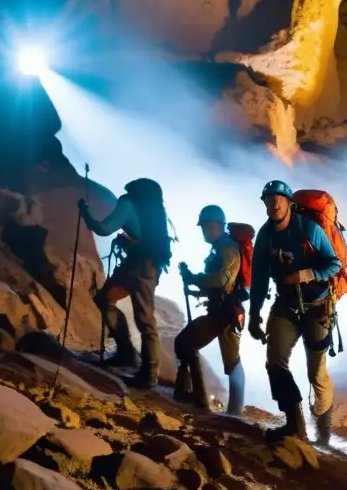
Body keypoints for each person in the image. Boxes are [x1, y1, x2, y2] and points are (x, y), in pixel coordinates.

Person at [249, 180, 341, 445]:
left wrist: (304, 274)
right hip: (286, 305)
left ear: (289, 203)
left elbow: (333, 263)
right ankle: (295, 424)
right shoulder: (265, 235)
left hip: (317, 306)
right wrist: (254, 314)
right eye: (268, 200)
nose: (274, 204)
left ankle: (323, 429)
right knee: (275, 361)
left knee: (316, 373)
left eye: (279, 199)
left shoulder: (308, 229)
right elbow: (259, 279)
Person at [80, 177, 172, 389]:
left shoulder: (128, 202)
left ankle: (147, 372)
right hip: (149, 266)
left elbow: (103, 228)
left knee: (140, 316)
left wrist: (86, 212)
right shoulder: (155, 208)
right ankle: (129, 356)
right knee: (129, 309)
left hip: (137, 266)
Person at [174, 204, 247, 414]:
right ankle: (196, 396)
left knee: (231, 362)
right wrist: (196, 286)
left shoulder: (227, 248)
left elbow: (222, 281)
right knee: (185, 343)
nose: (203, 231)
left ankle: (233, 411)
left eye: (205, 226)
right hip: (219, 311)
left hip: (228, 314)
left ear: (216, 225)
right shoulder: (219, 247)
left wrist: (194, 279)